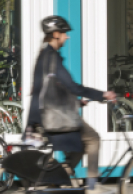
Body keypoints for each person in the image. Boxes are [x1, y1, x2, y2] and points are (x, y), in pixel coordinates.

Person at [26, 16, 116, 192]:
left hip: (41, 115)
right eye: (64, 34)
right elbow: (73, 86)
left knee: (79, 144)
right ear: (56, 34)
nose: (67, 37)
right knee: (93, 139)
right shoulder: (52, 57)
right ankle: (91, 187)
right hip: (52, 117)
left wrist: (75, 101)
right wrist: (102, 95)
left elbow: (51, 89)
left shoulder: (44, 55)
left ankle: (60, 176)